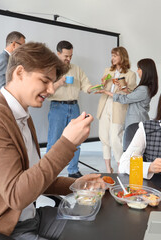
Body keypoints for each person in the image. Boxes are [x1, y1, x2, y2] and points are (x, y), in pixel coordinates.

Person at [0, 42, 104, 239]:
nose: (51, 90)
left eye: (52, 82)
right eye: (45, 81)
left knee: (97, 227)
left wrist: (75, 185)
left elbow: (32, 179)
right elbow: (17, 195)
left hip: (28, 220)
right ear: (19, 72)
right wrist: (67, 143)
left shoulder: (21, 115)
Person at [47, 40, 94, 178]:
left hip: (74, 107)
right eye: (66, 56)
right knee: (54, 140)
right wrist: (60, 82)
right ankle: (49, 172)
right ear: (58, 53)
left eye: (71, 56)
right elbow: (47, 91)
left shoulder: (76, 69)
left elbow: (86, 86)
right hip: (57, 107)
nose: (69, 59)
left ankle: (73, 170)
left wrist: (95, 89)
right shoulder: (50, 69)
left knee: (76, 140)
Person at [96, 47, 137, 173]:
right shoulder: (107, 70)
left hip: (119, 107)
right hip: (105, 104)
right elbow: (104, 87)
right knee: (104, 137)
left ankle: (120, 167)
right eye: (112, 55)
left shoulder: (131, 74)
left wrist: (122, 87)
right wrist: (102, 83)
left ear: (122, 57)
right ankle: (108, 169)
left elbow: (131, 94)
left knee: (115, 139)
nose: (112, 58)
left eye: (115, 55)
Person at [100, 58, 158, 129]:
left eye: (139, 68)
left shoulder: (143, 89)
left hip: (136, 122)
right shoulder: (145, 88)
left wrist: (106, 92)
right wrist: (126, 91)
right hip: (137, 121)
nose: (137, 71)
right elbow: (135, 99)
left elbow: (125, 99)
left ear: (145, 71)